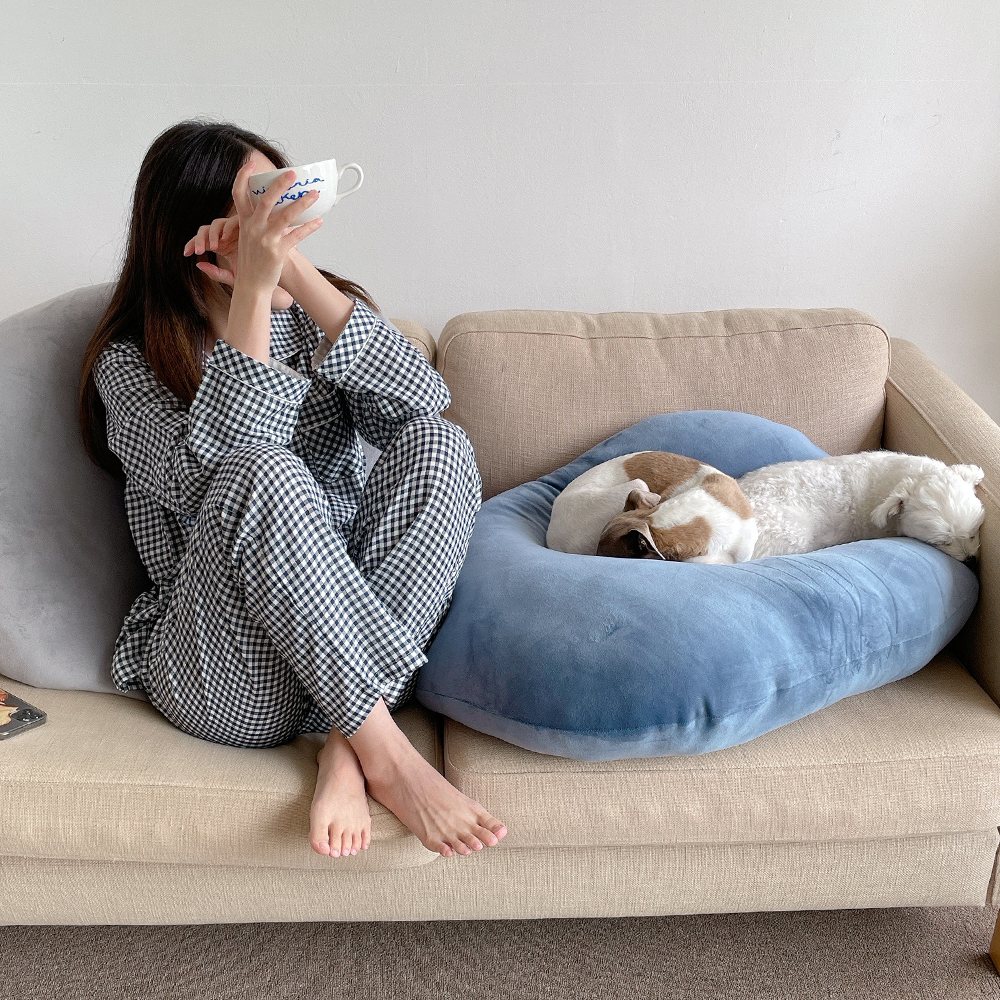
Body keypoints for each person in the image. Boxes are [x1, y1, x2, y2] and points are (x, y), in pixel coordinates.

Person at [78, 119, 507, 861]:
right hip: (228, 670)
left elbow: (421, 405)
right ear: (198, 227)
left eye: (284, 194)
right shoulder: (131, 366)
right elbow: (226, 473)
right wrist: (251, 289)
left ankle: (348, 745)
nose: (281, 214)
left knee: (442, 443)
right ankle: (390, 756)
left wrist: (296, 276)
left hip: (342, 638)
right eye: (259, 201)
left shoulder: (312, 317)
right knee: (264, 470)